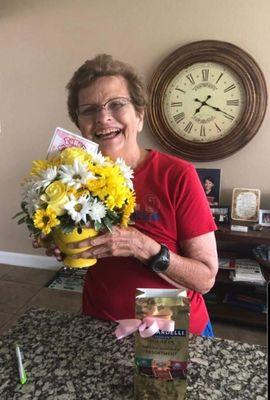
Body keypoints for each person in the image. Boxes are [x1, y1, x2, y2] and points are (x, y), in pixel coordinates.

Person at [40, 54, 218, 337]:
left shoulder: (177, 175)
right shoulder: (74, 175)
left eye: (117, 104)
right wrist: (60, 240)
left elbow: (206, 278)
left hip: (169, 324)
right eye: (89, 110)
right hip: (100, 322)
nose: (103, 117)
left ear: (139, 115)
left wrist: (143, 247)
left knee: (163, 383)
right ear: (80, 124)